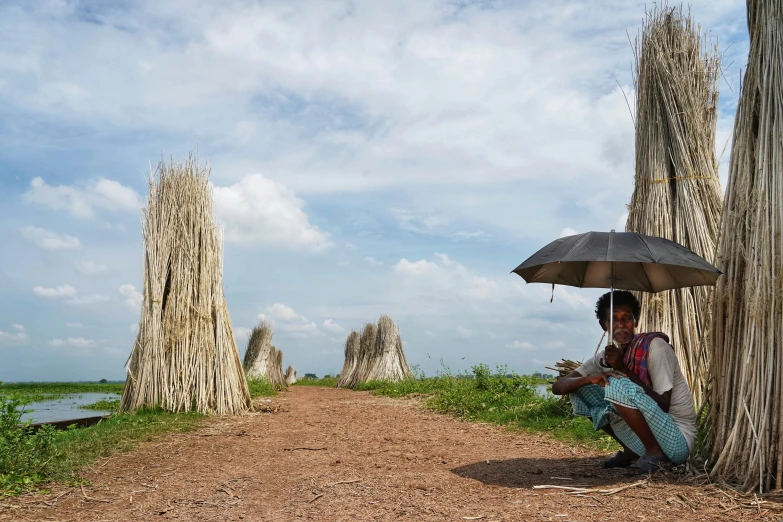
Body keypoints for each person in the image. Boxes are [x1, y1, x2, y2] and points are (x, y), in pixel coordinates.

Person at [551, 290, 697, 473]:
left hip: (676, 440)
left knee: (618, 383)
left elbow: (664, 404)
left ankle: (656, 456)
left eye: (626, 318)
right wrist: (589, 379)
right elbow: (559, 387)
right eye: (613, 320)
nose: (621, 325)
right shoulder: (607, 356)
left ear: (635, 321)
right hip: (648, 435)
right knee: (581, 387)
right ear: (604, 325)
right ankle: (633, 452)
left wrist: (623, 368)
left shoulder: (656, 347)